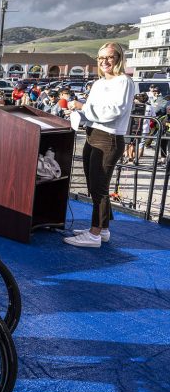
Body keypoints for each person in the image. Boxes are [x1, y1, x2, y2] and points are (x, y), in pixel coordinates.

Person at [64, 42, 134, 248]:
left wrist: (83, 106)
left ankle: (94, 234)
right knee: (95, 185)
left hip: (109, 138)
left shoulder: (124, 82)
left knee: (99, 187)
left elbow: (114, 111)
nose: (104, 62)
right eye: (101, 58)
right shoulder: (98, 83)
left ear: (119, 59)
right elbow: (93, 112)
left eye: (109, 57)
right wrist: (77, 112)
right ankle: (102, 229)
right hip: (92, 135)